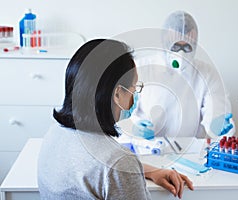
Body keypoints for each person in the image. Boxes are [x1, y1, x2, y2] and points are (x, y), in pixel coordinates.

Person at [38, 39, 193, 200]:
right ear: (118, 94)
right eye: (134, 88)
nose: (135, 95)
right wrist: (129, 169)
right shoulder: (118, 162)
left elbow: (93, 169)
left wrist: (147, 171)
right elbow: (112, 168)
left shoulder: (55, 133)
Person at [131, 10, 235, 139]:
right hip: (146, 148)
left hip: (190, 153)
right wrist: (133, 127)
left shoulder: (207, 74)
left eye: (187, 47)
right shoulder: (142, 68)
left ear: (195, 44)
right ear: (164, 43)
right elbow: (120, 111)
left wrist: (216, 125)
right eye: (175, 46)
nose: (181, 54)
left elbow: (216, 109)